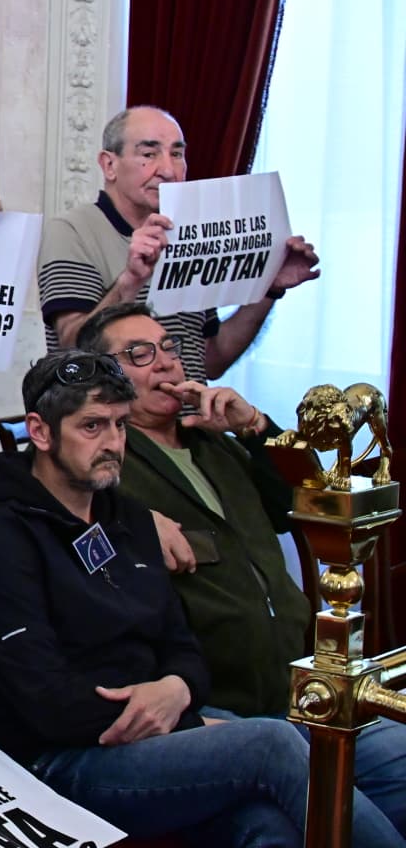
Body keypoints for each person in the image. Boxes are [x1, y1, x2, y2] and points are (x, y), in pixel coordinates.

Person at [0, 348, 403, 844]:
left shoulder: (127, 517)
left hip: (156, 728)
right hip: (57, 759)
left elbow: (182, 644)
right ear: (40, 432)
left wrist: (178, 690)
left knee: (274, 815)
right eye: (92, 427)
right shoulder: (0, 540)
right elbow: (45, 703)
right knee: (273, 745)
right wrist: (183, 714)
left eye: (120, 426)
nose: (112, 443)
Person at [76, 301, 406, 832]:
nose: (164, 363)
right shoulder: (104, 460)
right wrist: (128, 518)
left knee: (400, 757)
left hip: (296, 692)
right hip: (215, 705)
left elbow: (305, 506)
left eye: (168, 348)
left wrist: (254, 425)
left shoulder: (216, 443)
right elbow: (48, 515)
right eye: (139, 354)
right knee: (319, 818)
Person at [37, 105, 321, 383]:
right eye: (149, 154)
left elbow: (210, 360)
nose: (169, 171)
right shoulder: (73, 230)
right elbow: (71, 348)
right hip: (118, 425)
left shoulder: (188, 234)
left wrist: (269, 288)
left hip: (189, 422)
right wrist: (130, 281)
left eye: (177, 154)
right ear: (109, 164)